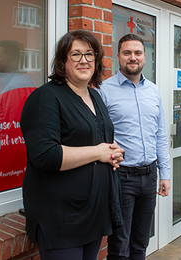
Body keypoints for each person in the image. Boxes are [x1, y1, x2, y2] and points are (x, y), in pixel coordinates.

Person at [20, 30, 125, 260]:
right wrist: (99, 152)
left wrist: (113, 150)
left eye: (89, 54)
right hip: (63, 217)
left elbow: (99, 136)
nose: (84, 60)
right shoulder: (45, 98)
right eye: (75, 54)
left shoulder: (94, 96)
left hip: (93, 212)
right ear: (62, 62)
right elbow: (46, 155)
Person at [99, 33, 170, 260]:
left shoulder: (154, 91)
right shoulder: (104, 90)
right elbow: (98, 136)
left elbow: (160, 134)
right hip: (121, 178)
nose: (133, 57)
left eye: (137, 53)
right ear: (118, 57)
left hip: (149, 177)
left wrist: (165, 174)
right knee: (119, 246)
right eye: (127, 53)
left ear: (144, 57)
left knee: (141, 243)